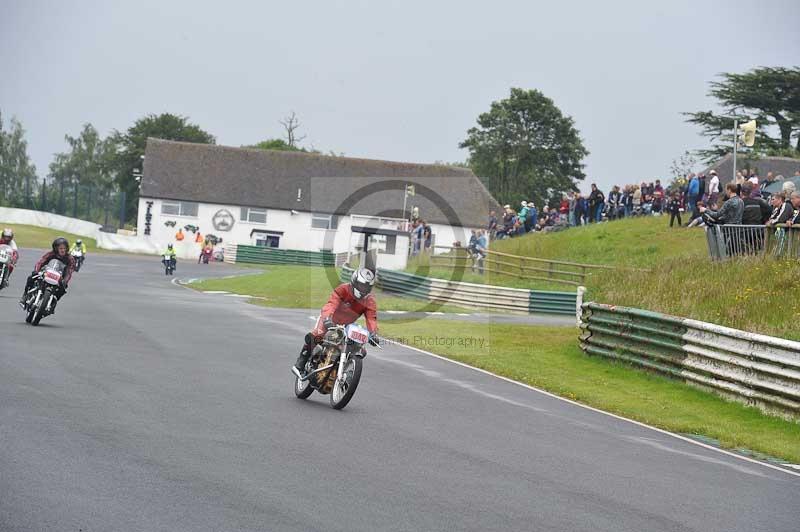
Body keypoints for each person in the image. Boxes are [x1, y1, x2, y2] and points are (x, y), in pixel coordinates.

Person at [293, 267, 378, 377]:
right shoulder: (343, 289)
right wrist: (328, 318)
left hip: (347, 327)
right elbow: (331, 304)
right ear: (354, 281)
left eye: (367, 287)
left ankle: (342, 370)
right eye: (361, 285)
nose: (363, 289)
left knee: (361, 350)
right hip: (330, 320)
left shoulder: (369, 301)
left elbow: (371, 318)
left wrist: (373, 333)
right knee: (317, 336)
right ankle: (301, 362)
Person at [20, 237, 75, 312]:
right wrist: (36, 270)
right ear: (56, 249)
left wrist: (65, 281)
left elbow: (69, 271)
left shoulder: (70, 259)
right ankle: (25, 295)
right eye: (60, 248)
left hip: (59, 277)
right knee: (31, 277)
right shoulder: (50, 254)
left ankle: (52, 302)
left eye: (64, 248)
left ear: (67, 248)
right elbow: (41, 262)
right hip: (46, 272)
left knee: (63, 289)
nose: (62, 250)